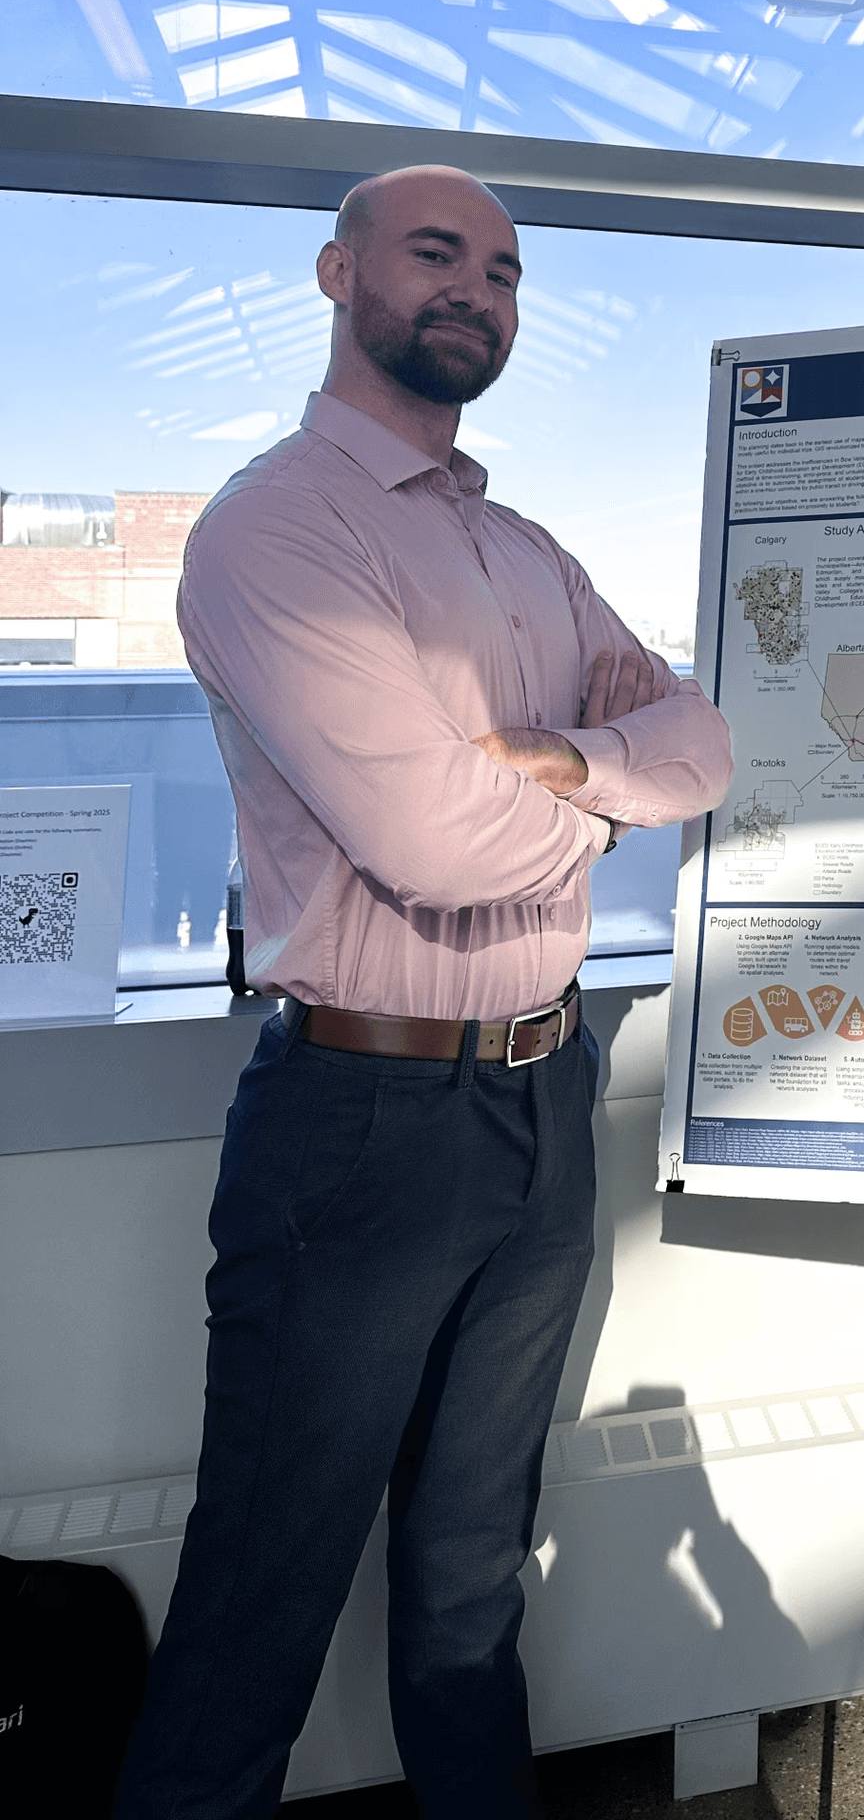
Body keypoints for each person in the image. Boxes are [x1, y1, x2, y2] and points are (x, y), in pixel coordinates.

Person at [114, 165, 731, 1819]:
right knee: (264, 1592)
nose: (477, 290)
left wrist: (569, 760)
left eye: (506, 272)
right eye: (436, 254)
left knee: (473, 1576)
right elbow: (435, 843)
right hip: (360, 1124)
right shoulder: (277, 529)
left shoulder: (521, 546)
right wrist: (606, 795)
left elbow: (704, 739)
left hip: (545, 1096)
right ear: (337, 273)